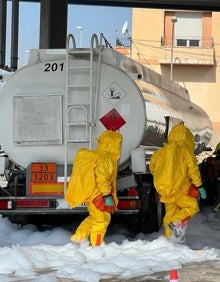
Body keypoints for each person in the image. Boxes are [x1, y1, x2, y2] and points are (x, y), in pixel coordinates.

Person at [149, 124, 206, 244]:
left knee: (170, 213)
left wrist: (165, 180)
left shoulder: (160, 152)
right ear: (187, 138)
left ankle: (171, 241)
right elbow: (193, 171)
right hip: (181, 189)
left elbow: (153, 168)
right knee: (192, 207)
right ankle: (176, 222)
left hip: (165, 191)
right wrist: (199, 186)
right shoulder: (186, 152)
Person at [65, 130, 123, 247]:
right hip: (99, 195)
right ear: (113, 144)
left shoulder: (100, 155)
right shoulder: (106, 158)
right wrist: (107, 195)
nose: (120, 146)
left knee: (95, 217)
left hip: (93, 194)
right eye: (119, 144)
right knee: (101, 221)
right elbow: (102, 178)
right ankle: (97, 246)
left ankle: (78, 237)